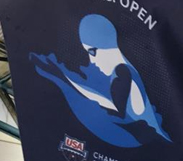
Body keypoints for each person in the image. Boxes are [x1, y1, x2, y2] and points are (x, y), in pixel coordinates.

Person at [31, 14, 170, 147]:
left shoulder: (123, 72)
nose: (92, 60)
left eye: (92, 52)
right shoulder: (125, 71)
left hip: (151, 140)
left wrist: (65, 79)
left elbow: (115, 111)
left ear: (105, 46)